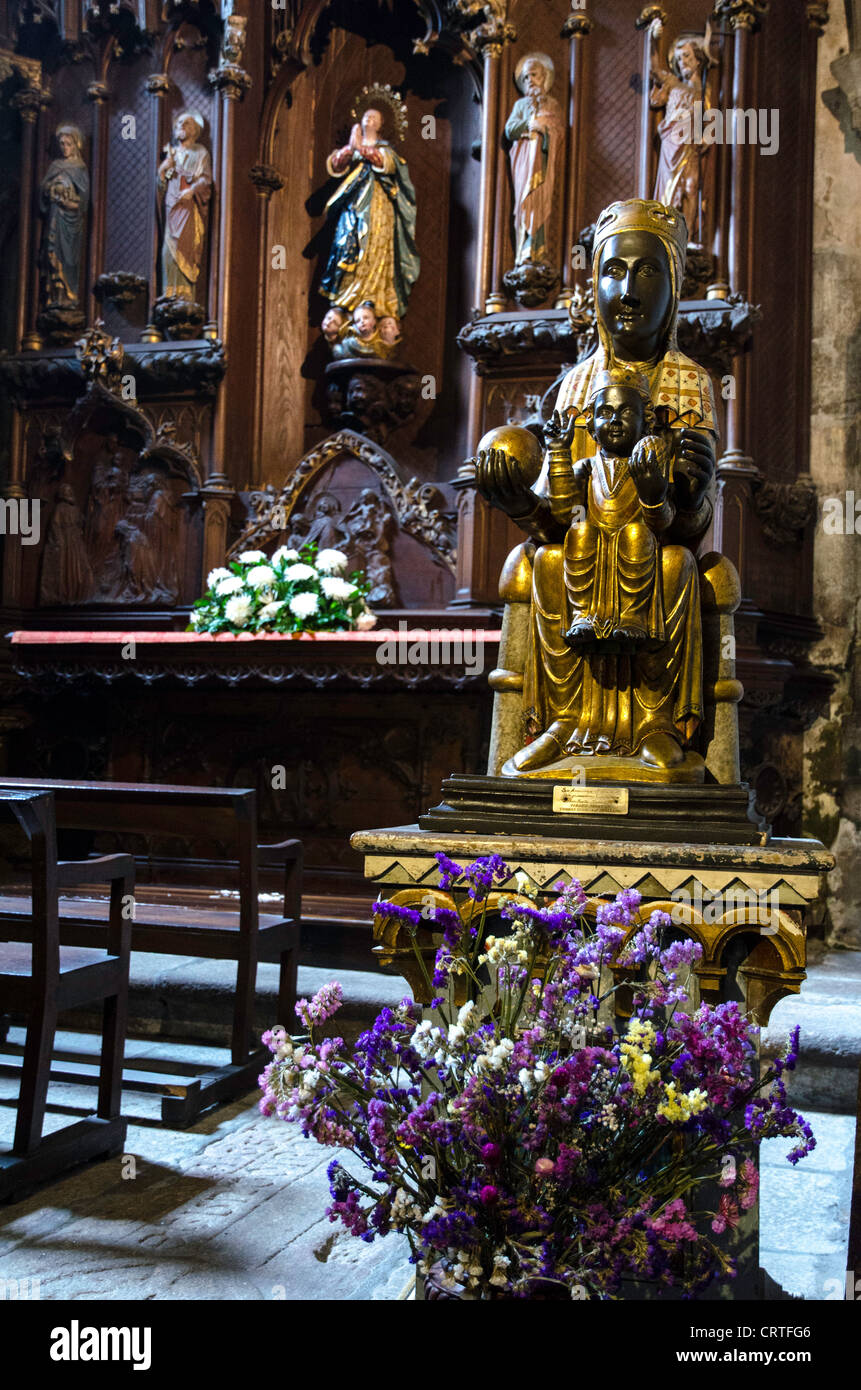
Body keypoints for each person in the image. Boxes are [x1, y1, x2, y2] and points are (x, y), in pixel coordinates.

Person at [475, 198, 717, 773]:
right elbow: (556, 519)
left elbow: (692, 525)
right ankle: (564, 723)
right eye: (612, 270)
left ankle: (660, 726)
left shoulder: (690, 383)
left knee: (678, 563)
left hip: (651, 547)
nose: (627, 290)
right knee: (549, 564)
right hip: (586, 547)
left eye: (646, 270)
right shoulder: (571, 389)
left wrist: (683, 490)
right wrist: (516, 499)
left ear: (674, 286)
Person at [320, 105, 419, 331]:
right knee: (347, 246)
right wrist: (350, 148)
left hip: (378, 210)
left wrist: (360, 147)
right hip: (353, 209)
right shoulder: (352, 147)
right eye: (366, 116)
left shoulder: (386, 150)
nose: (369, 119)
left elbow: (384, 163)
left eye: (374, 117)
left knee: (376, 251)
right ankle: (345, 305)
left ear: (382, 125)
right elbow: (335, 164)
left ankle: (376, 306)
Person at [504, 53, 564, 266]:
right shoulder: (521, 105)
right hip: (524, 161)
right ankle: (523, 250)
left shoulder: (553, 104)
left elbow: (560, 131)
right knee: (524, 202)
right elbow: (509, 129)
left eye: (534, 75)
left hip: (545, 161)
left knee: (541, 202)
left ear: (544, 77)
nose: (530, 80)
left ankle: (539, 249)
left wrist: (546, 131)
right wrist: (528, 126)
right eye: (526, 77)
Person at [157, 111, 213, 300]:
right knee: (167, 250)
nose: (181, 126)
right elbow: (162, 183)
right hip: (172, 205)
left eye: (186, 123)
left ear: (195, 130)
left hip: (189, 208)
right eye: (179, 123)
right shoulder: (171, 153)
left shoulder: (200, 152)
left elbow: (206, 180)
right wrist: (163, 170)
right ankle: (169, 292)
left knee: (185, 247)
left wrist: (192, 190)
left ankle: (185, 295)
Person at [39, 125, 89, 311]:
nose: (65, 148)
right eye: (62, 144)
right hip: (55, 216)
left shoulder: (80, 168)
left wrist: (71, 203)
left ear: (76, 145)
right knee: (52, 253)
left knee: (69, 258)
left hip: (72, 220)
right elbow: (42, 190)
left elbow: (84, 200)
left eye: (68, 144)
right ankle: (54, 295)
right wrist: (51, 188)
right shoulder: (55, 166)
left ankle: (69, 294)